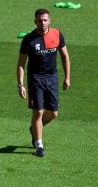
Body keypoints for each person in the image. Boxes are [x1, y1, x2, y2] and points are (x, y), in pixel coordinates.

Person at [17, 8, 71, 157]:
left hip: (52, 78)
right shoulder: (29, 39)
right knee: (38, 111)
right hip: (36, 79)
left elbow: (65, 56)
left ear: (50, 21)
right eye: (40, 20)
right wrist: (20, 84)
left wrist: (67, 77)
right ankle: (39, 145)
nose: (42, 23)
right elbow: (21, 63)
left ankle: (34, 128)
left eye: (45, 20)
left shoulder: (57, 35)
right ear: (35, 22)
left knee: (53, 113)